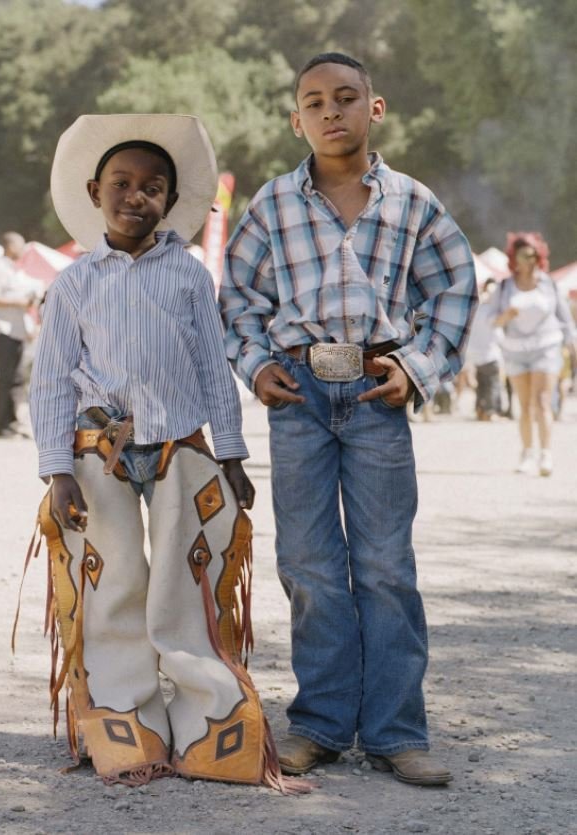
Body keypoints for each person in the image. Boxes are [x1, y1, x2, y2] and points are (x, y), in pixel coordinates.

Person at [220, 52, 478, 787]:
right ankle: (322, 723)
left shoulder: (412, 202)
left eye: (345, 98)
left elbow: (455, 287)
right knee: (306, 562)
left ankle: (398, 731)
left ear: (376, 108)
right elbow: (238, 295)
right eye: (313, 102)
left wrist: (416, 367)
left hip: (374, 391)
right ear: (294, 118)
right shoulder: (271, 204)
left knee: (386, 564)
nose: (330, 112)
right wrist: (256, 364)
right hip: (298, 393)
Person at [25, 113, 299, 791]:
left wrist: (231, 457)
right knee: (114, 582)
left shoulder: (188, 276)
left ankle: (206, 727)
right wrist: (57, 469)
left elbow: (212, 365)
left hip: (180, 446)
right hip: (98, 451)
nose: (135, 195)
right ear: (95, 192)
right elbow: (52, 378)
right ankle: (125, 723)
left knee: (186, 581)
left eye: (153, 186)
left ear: (171, 202)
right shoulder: (73, 283)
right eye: (121, 182)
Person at [489, 232, 576, 476]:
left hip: (546, 347)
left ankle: (546, 454)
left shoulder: (549, 284)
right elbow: (490, 320)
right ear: (513, 258)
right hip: (516, 350)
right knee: (525, 405)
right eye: (522, 255)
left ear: (539, 256)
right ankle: (527, 453)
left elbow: (565, 319)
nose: (528, 260)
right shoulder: (505, 286)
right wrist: (506, 316)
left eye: (532, 255)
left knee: (542, 402)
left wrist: (572, 345)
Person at [0, 231, 36, 437]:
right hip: (3, 329)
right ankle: (3, 425)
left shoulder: (13, 270)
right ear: (10, 246)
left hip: (16, 329)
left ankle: (13, 421)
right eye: (21, 246)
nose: (23, 251)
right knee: (7, 377)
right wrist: (21, 302)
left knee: (17, 377)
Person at [466, 277, 504, 421]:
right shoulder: (492, 312)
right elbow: (499, 336)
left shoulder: (476, 311)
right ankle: (491, 412)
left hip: (475, 354)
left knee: (481, 384)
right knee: (492, 384)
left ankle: (480, 411)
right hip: (491, 353)